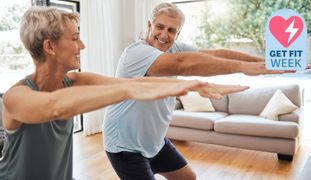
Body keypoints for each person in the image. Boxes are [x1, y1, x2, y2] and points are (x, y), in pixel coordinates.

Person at [0, 6, 247, 180]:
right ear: (50, 47)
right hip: (124, 146)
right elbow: (55, 106)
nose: (83, 45)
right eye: (75, 38)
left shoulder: (74, 80)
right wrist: (130, 88)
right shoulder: (15, 97)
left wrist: (194, 85)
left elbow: (129, 83)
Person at [103, 2, 292, 180]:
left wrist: (262, 62)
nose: (164, 34)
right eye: (159, 27)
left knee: (188, 177)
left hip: (154, 142)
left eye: (171, 30)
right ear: (149, 25)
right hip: (125, 145)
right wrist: (243, 67)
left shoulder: (174, 48)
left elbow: (213, 55)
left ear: (178, 33)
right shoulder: (136, 53)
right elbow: (182, 65)